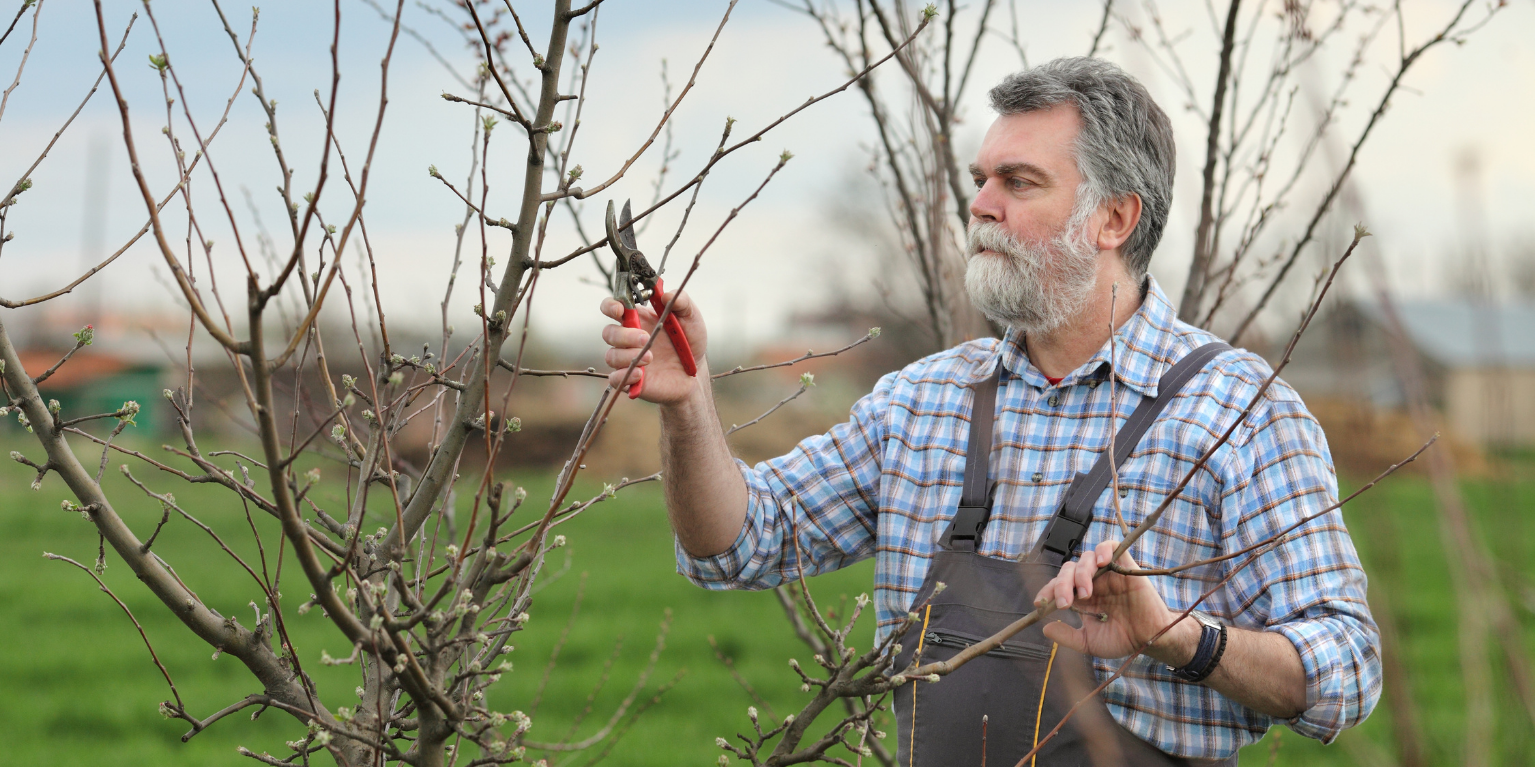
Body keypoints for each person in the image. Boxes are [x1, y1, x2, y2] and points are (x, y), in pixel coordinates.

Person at [599, 57, 1379, 764]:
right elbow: (737, 541)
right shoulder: (924, 402)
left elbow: (1345, 670)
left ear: (1114, 219)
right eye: (981, 179)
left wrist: (1175, 636)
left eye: (1018, 181)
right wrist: (688, 403)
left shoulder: (1238, 412)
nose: (980, 205)